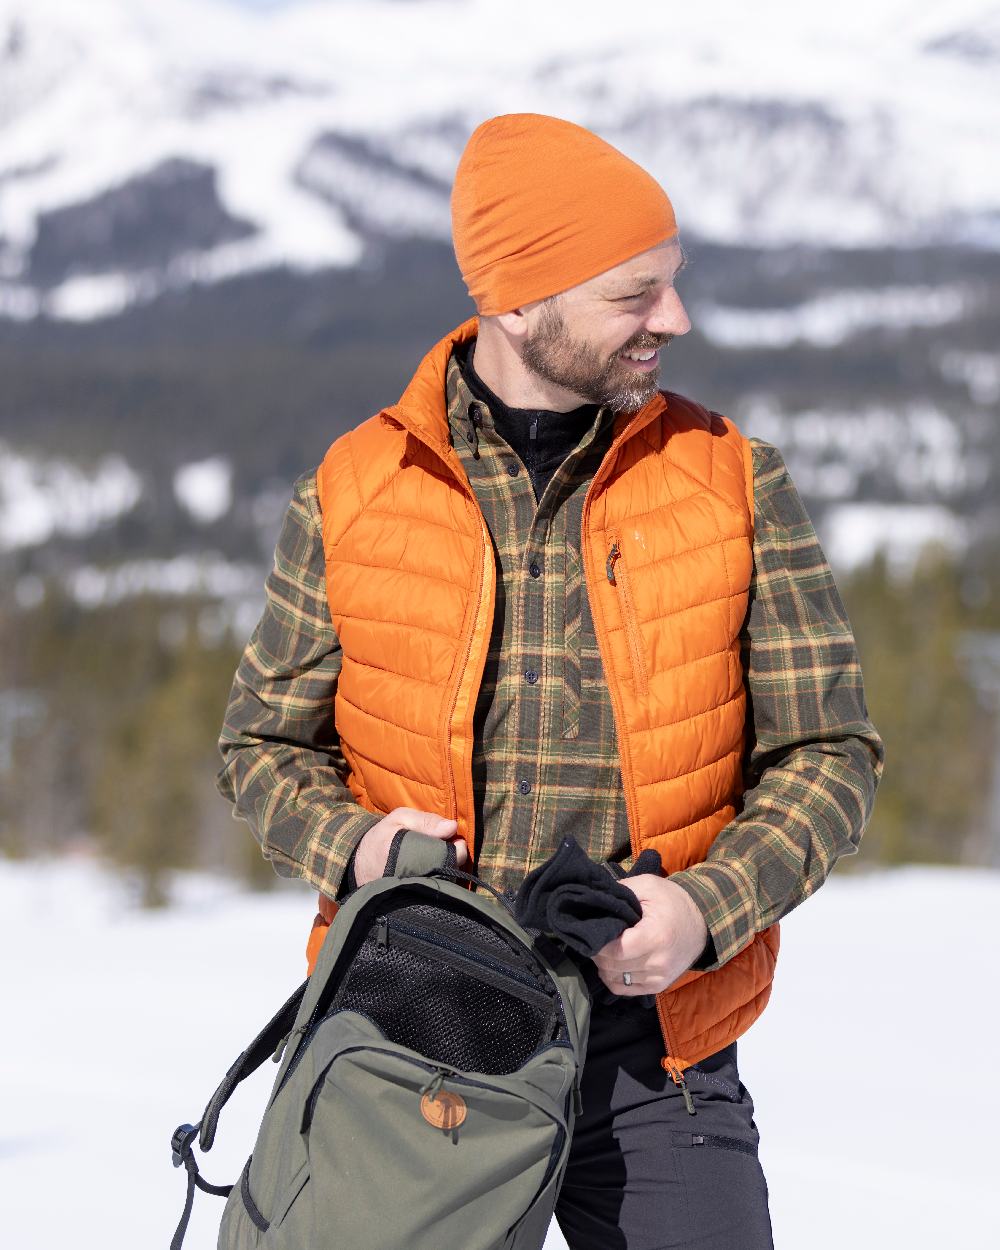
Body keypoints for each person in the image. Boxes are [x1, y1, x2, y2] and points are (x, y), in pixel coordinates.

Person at [217, 114, 883, 1249]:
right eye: (634, 295)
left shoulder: (731, 481)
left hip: (657, 1052)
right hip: (413, 1031)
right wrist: (361, 849)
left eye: (671, 285)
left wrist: (702, 909)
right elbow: (261, 748)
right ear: (519, 303)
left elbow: (830, 754)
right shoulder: (356, 488)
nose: (673, 319)